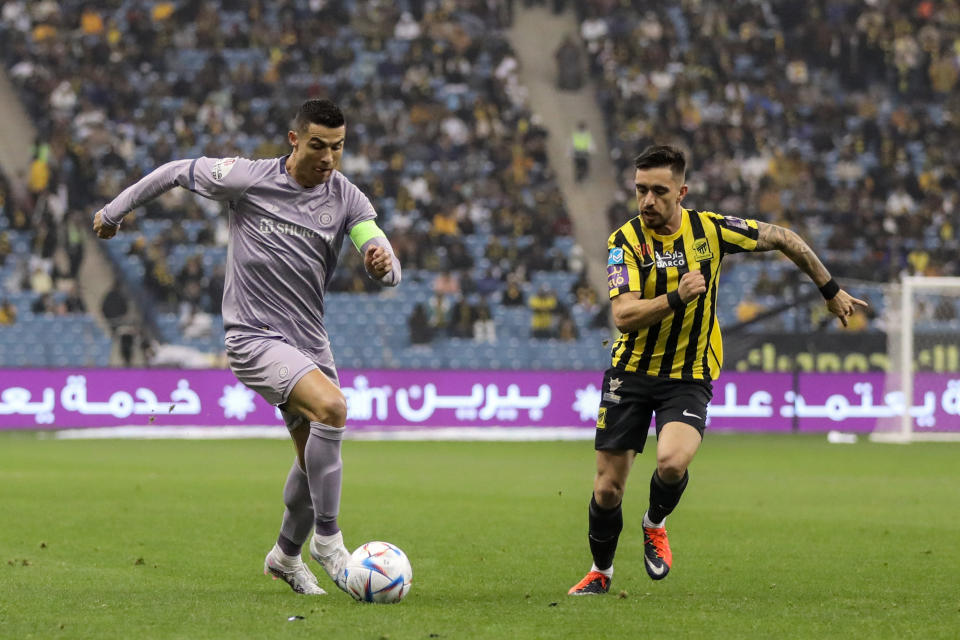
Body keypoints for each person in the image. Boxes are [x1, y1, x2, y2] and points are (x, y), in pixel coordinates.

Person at [93, 99, 402, 597]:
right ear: (294, 139)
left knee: (310, 462)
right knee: (333, 409)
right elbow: (176, 171)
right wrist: (114, 211)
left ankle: (284, 555)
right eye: (319, 145)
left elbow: (385, 261)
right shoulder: (247, 178)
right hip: (253, 337)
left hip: (310, 343)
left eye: (338, 147)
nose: (329, 157)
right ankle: (329, 541)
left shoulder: (347, 198)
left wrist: (381, 261)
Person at [568, 145, 866, 595]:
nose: (647, 200)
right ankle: (600, 573)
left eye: (658, 191)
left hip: (688, 374)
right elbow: (623, 316)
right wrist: (677, 297)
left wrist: (830, 289)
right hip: (629, 373)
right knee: (608, 490)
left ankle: (654, 523)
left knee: (671, 462)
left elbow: (784, 237)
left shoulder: (710, 230)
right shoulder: (623, 242)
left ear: (681, 192)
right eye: (640, 190)